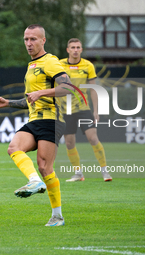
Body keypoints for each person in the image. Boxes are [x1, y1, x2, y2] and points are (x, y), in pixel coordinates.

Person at [0, 24, 73, 226]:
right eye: (26, 39)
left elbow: (68, 87)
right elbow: (30, 99)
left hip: (51, 119)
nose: (29, 43)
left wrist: (41, 93)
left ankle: (57, 216)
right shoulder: (31, 66)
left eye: (33, 39)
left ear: (43, 40)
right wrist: (8, 103)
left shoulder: (50, 61)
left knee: (45, 167)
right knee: (13, 148)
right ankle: (34, 181)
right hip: (34, 119)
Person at [60, 38, 112, 182]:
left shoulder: (88, 65)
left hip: (83, 108)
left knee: (93, 138)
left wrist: (96, 110)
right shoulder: (59, 65)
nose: (75, 50)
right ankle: (78, 174)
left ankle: (104, 171)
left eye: (78, 47)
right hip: (66, 110)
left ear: (81, 49)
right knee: (69, 143)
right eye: (73, 47)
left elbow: (93, 89)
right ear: (68, 50)